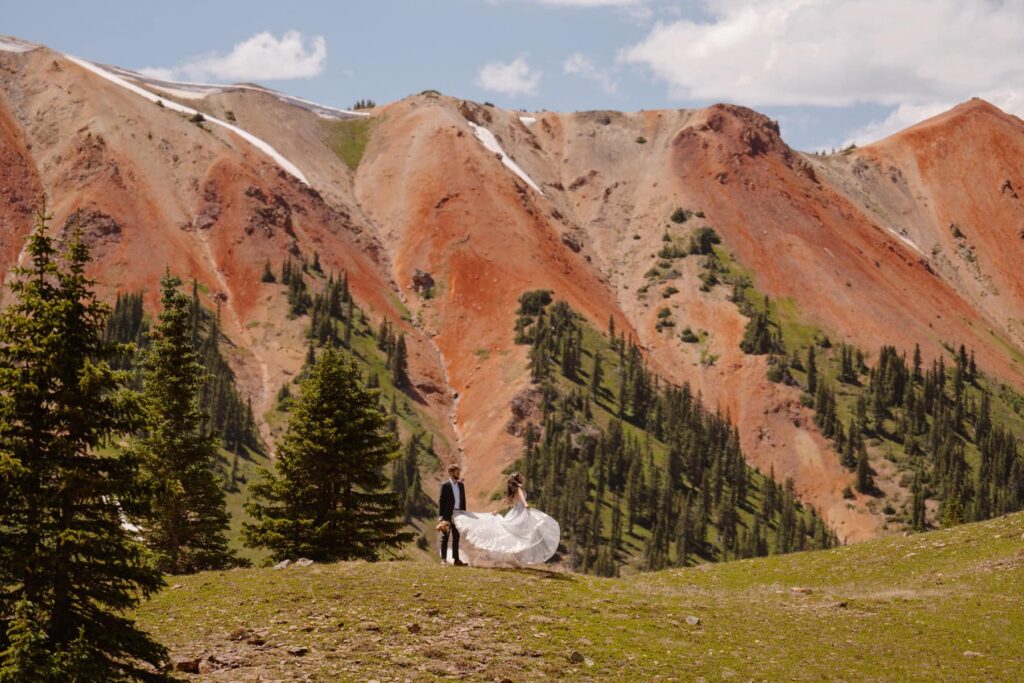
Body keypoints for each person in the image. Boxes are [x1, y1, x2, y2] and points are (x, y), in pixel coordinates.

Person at [452, 472, 560, 567]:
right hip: (521, 512)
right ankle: (515, 554)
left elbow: (505, 500)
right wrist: (526, 504)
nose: (523, 478)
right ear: (518, 478)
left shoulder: (514, 488)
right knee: (527, 532)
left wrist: (497, 510)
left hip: (515, 512)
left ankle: (513, 555)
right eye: (521, 476)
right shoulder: (518, 488)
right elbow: (521, 497)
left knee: (515, 533)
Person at [438, 463, 467, 566]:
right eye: (456, 472)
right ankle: (443, 559)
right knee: (445, 537)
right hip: (447, 515)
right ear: (450, 473)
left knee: (456, 538)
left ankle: (456, 560)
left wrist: (464, 514)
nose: (458, 473)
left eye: (459, 472)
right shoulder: (445, 485)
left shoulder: (461, 485)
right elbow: (441, 501)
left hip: (459, 514)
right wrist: (441, 516)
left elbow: (463, 501)